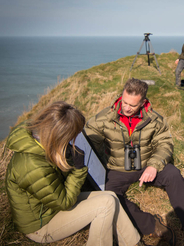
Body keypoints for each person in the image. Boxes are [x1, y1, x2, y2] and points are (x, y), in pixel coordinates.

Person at [84, 78, 184, 246]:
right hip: (117, 169)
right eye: (124, 102)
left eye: (132, 105)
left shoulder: (155, 119)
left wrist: (154, 165)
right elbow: (88, 142)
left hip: (147, 164)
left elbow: (165, 144)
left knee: (173, 174)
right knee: (108, 195)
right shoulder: (103, 118)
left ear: (143, 102)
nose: (126, 108)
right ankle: (152, 225)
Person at [5, 101, 141, 246]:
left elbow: (56, 187)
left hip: (52, 206)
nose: (73, 141)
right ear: (59, 136)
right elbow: (63, 202)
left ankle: (133, 243)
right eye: (71, 137)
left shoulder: (42, 139)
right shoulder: (32, 166)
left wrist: (68, 158)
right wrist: (78, 169)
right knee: (105, 205)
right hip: (41, 225)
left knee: (110, 196)